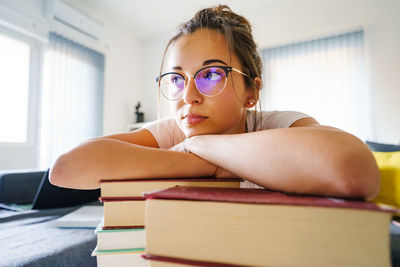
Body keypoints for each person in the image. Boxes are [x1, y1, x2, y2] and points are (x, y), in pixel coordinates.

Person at [50, 5, 380, 200]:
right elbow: (67, 169)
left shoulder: (277, 124)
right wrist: (203, 161)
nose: (188, 96)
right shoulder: (172, 132)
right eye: (177, 79)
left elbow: (354, 171)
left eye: (210, 75)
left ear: (251, 91)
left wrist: (203, 146)